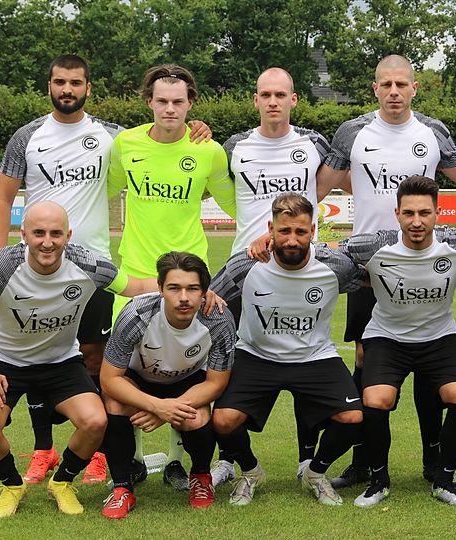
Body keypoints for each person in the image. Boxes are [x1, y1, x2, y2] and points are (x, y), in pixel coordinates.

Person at [0, 55, 213, 487]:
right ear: (49, 86)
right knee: (36, 354)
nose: (67, 89)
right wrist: (3, 264)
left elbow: (161, 139)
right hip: (35, 267)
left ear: (88, 88)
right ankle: (43, 449)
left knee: (97, 359)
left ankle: (95, 452)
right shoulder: (27, 136)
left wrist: (195, 128)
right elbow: (2, 199)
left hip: (94, 269)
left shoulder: (112, 137)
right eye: (60, 82)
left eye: (75, 82)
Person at [317, 54, 456, 490]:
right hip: (369, 265)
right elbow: (318, 185)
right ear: (375, 88)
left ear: (415, 88)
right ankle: (364, 462)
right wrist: (282, 221)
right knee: (366, 363)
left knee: (430, 368)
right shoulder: (352, 132)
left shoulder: (432, 132)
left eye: (402, 84)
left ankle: (434, 461)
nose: (394, 91)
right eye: (386, 84)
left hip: (422, 261)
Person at [0, 201, 158, 518]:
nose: (47, 242)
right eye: (38, 233)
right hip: (2, 361)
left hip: (60, 361)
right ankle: (12, 485)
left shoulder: (88, 265)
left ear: (68, 236)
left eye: (56, 234)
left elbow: (137, 287)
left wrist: (198, 289)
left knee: (95, 421)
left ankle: (62, 483)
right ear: (23, 234)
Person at [108, 63, 236, 490]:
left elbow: (238, 203)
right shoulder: (125, 144)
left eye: (178, 101)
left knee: (186, 369)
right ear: (149, 101)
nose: (169, 108)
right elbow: (97, 190)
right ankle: (134, 461)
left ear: (191, 103)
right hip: (134, 277)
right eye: (161, 101)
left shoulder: (208, 150)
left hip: (187, 279)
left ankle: (179, 463)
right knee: (128, 370)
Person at [338, 176, 456, 508]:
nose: (416, 221)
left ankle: (444, 480)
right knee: (376, 399)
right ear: (397, 214)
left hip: (439, 337)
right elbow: (325, 249)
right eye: (409, 213)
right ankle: (378, 482)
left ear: (437, 214)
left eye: (425, 213)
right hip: (387, 337)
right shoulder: (374, 244)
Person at [210, 67, 332, 487]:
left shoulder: (314, 144)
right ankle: (228, 457)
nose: (273, 101)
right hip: (245, 270)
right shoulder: (235, 146)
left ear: (294, 99)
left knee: (305, 357)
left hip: (300, 268)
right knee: (227, 360)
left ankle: (306, 457)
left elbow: (332, 183)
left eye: (281, 94)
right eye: (266, 94)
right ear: (256, 99)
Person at [209, 193, 365, 507]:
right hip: (257, 355)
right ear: (270, 230)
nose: (292, 240)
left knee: (353, 418)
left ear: (313, 231)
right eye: (284, 231)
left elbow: (375, 274)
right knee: (223, 420)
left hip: (315, 356)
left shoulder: (335, 265)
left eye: (300, 231)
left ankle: (316, 473)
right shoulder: (246, 263)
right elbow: (210, 297)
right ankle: (251, 472)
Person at [99, 252, 236, 517]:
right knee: (114, 404)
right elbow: (109, 379)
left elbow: (216, 384)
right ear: (160, 288)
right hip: (139, 380)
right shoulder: (136, 314)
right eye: (174, 288)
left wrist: (166, 410)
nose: (183, 297)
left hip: (187, 381)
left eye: (192, 288)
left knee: (196, 416)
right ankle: (122, 487)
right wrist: (157, 406)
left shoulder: (219, 320)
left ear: (204, 292)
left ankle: (201, 477)